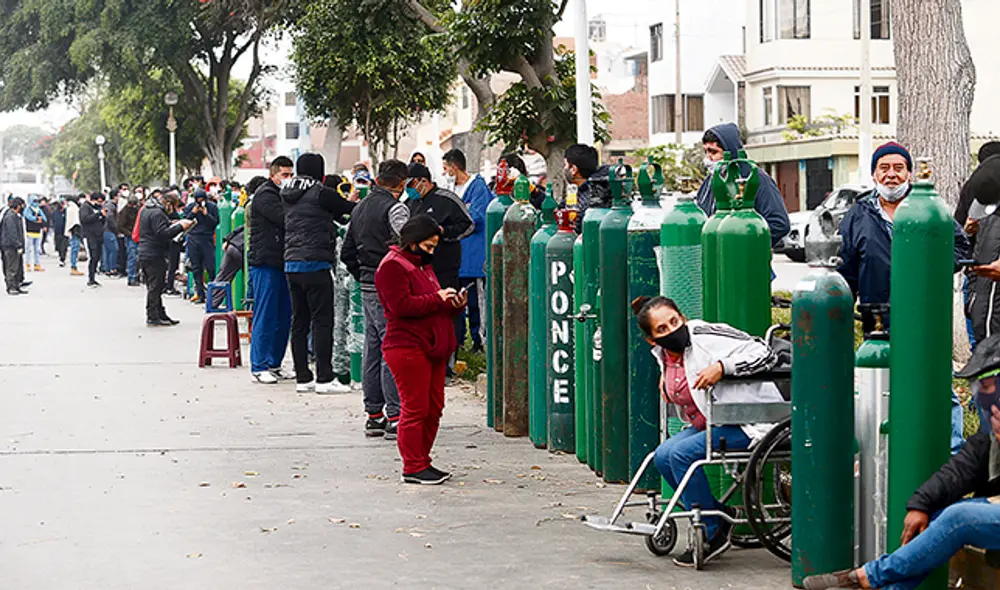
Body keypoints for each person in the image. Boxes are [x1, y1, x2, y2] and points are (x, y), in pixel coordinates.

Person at [803, 332, 1000, 590]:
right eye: (979, 388)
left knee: (959, 517)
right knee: (937, 519)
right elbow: (963, 467)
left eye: (987, 386)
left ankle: (865, 576)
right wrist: (922, 503)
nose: (982, 397)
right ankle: (879, 584)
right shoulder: (992, 428)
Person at [838, 141, 971, 453]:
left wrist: (923, 271)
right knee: (880, 383)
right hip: (878, 315)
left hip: (922, 315)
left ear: (910, 173)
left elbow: (961, 249)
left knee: (934, 380)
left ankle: (951, 452)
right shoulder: (859, 214)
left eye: (899, 168)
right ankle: (885, 451)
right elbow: (847, 268)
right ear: (873, 175)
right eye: (884, 168)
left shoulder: (929, 209)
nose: (892, 175)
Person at [634, 295, 784, 567]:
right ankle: (717, 515)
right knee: (663, 455)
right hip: (715, 421)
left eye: (674, 322)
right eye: (662, 329)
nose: (671, 330)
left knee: (680, 455)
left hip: (752, 421)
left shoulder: (703, 335)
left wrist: (722, 367)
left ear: (683, 318)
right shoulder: (664, 355)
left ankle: (712, 531)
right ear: (652, 340)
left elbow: (765, 352)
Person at [375, 214, 468, 485]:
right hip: (406, 346)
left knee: (433, 407)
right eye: (428, 247)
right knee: (415, 408)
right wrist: (436, 299)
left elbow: (430, 303)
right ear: (412, 242)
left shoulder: (420, 266)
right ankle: (413, 466)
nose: (432, 252)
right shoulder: (392, 266)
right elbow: (400, 306)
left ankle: (422, 461)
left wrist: (452, 303)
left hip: (432, 345)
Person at [341, 159, 411, 439]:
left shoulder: (359, 208)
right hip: (390, 284)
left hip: (367, 284)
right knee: (391, 348)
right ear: (401, 183)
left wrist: (363, 275)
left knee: (373, 348)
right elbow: (408, 241)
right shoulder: (396, 208)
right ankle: (395, 415)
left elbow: (347, 252)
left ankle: (374, 414)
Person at [281, 153, 355, 393]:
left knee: (299, 321)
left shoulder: (288, 193)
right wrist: (353, 199)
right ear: (320, 172)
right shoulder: (322, 192)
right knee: (322, 321)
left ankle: (303, 377)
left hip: (292, 263)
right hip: (315, 263)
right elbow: (350, 210)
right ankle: (324, 377)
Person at [696, 123, 790, 246]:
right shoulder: (710, 181)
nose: (709, 158)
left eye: (713, 152)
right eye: (706, 151)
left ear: (730, 152)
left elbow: (779, 223)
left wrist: (744, 245)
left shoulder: (757, 180)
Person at [248, 157, 295, 384]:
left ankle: (275, 362)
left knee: (283, 316)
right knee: (265, 315)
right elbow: (285, 218)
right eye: (284, 175)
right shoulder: (266, 196)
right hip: (265, 263)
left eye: (290, 175)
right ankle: (259, 365)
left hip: (283, 262)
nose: (288, 179)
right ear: (273, 175)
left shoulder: (282, 195)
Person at [443, 148, 494, 353]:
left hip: (474, 257)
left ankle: (481, 342)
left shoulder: (477, 187)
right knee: (457, 303)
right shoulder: (450, 189)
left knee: (477, 304)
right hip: (457, 259)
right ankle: (460, 342)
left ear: (455, 167)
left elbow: (476, 218)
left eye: (446, 168)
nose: (445, 172)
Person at [138, 191, 193, 326]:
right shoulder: (157, 213)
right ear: (167, 203)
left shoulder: (147, 209)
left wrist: (172, 223)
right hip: (153, 253)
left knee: (156, 285)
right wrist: (180, 227)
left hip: (146, 252)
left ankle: (160, 313)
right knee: (155, 286)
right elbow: (161, 233)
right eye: (173, 207)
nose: (173, 210)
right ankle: (152, 316)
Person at [325, 173, 357, 388]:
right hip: (339, 274)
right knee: (340, 320)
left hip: (345, 275)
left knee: (346, 320)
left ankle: (342, 367)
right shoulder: (330, 215)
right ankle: (340, 367)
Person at [183, 188, 220, 303]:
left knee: (211, 267)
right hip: (193, 238)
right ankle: (200, 293)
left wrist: (206, 214)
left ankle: (213, 294)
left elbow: (215, 222)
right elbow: (184, 221)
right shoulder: (190, 207)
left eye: (202, 199)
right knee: (196, 268)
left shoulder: (212, 207)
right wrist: (193, 213)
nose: (200, 202)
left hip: (207, 238)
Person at [563, 144, 610, 232]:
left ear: (573, 169)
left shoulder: (587, 198)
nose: (564, 169)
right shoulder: (594, 190)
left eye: (565, 165)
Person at [80, 192, 106, 287]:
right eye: (99, 201)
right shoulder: (85, 207)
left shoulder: (98, 208)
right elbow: (84, 219)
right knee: (93, 256)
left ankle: (94, 277)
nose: (100, 203)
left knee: (97, 256)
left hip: (98, 235)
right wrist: (98, 214)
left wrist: (102, 216)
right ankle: (91, 278)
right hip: (89, 235)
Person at [1, 197, 27, 295]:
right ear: (19, 206)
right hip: (10, 246)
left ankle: (16, 285)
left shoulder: (16, 216)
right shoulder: (10, 216)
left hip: (15, 245)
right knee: (11, 267)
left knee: (17, 267)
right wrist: (18, 244)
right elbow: (12, 233)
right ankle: (11, 287)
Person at [116, 195, 141, 286]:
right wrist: (130, 234)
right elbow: (120, 226)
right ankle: (132, 277)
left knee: (136, 258)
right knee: (132, 257)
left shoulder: (136, 210)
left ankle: (135, 276)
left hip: (136, 235)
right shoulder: (124, 212)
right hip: (130, 236)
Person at [23, 196, 47, 272]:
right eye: (34, 201)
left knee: (37, 249)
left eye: (37, 201)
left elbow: (44, 218)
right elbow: (29, 217)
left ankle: (37, 264)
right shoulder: (27, 209)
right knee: (28, 249)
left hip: (37, 231)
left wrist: (42, 221)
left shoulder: (38, 210)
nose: (36, 202)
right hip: (30, 231)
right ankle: (27, 264)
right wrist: (37, 218)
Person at [65, 195, 83, 276]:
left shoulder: (71, 208)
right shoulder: (74, 208)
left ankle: (73, 266)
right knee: (75, 249)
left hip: (73, 230)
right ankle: (73, 267)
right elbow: (76, 221)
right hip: (75, 230)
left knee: (74, 249)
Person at [101, 192, 119, 277]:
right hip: (109, 230)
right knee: (114, 249)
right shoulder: (111, 205)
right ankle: (112, 268)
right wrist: (116, 229)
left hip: (105, 230)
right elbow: (110, 218)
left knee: (107, 251)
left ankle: (107, 268)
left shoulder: (107, 204)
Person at [50, 199, 68, 267]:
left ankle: (62, 259)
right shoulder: (55, 212)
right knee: (59, 247)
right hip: (57, 232)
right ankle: (61, 256)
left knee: (63, 246)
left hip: (64, 232)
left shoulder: (66, 212)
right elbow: (53, 221)